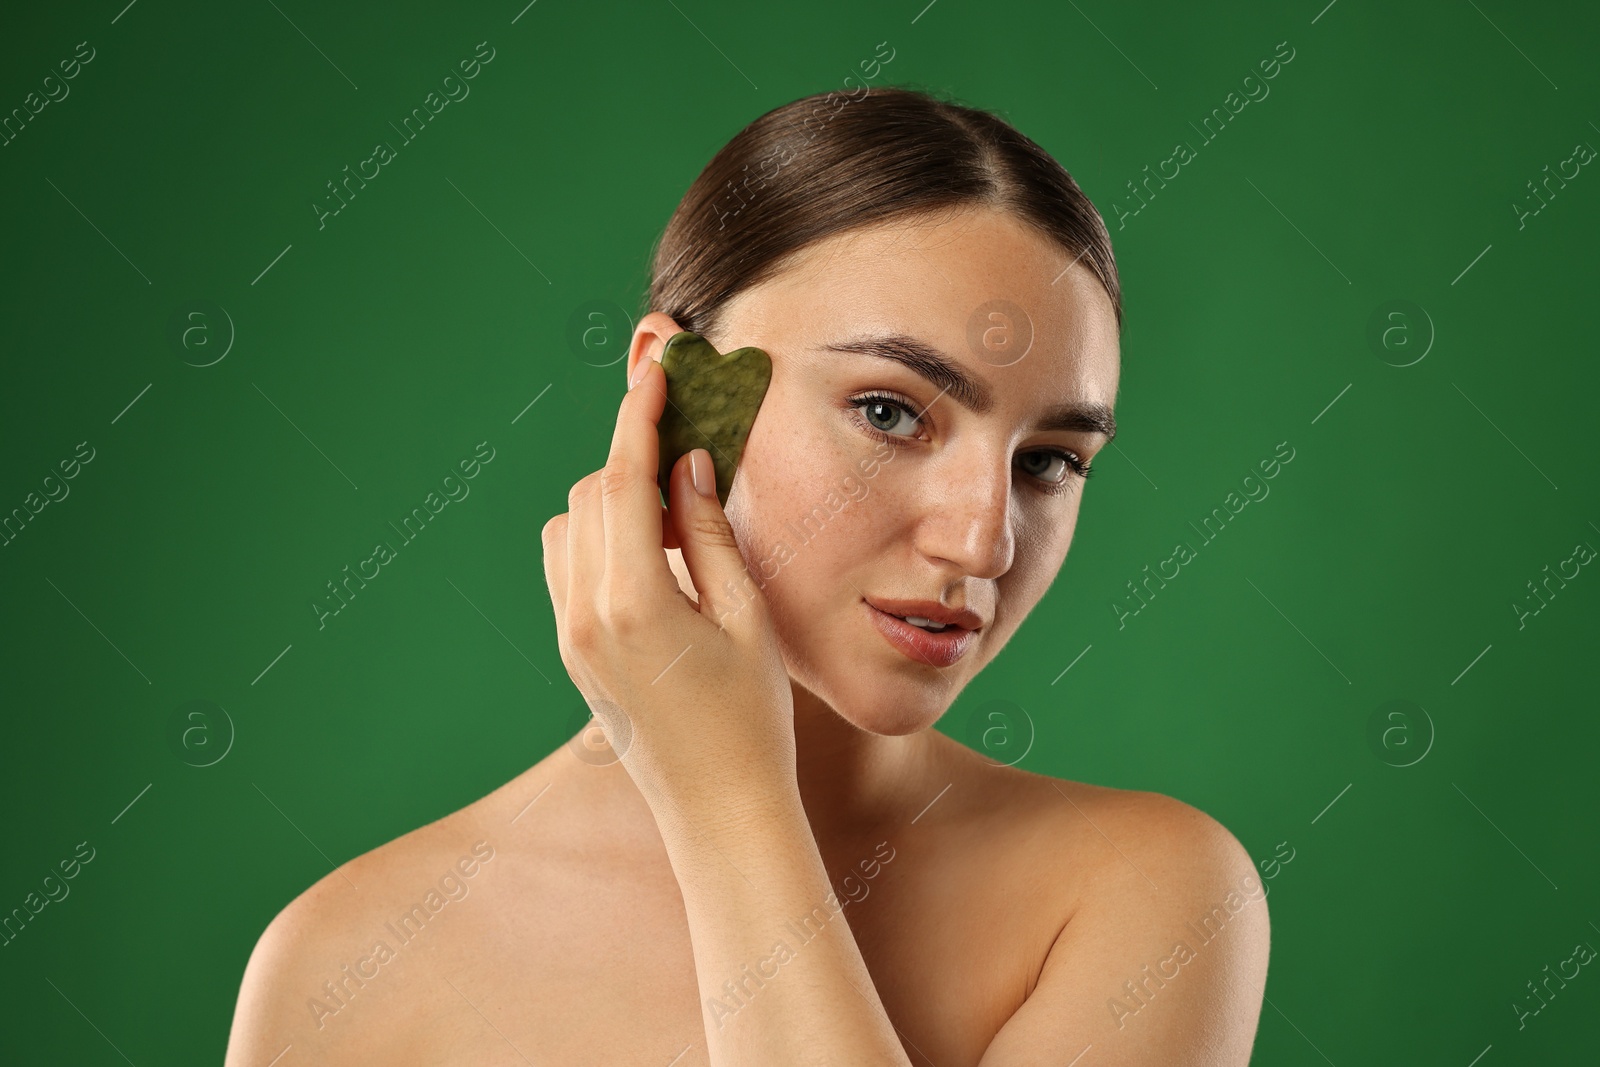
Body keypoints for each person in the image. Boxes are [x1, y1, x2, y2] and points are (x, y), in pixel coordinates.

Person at [224, 85, 1270, 1066]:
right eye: (888, 411)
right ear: (673, 392)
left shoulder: (1146, 895)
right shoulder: (343, 961)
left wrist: (730, 803)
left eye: (1048, 460)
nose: (981, 542)